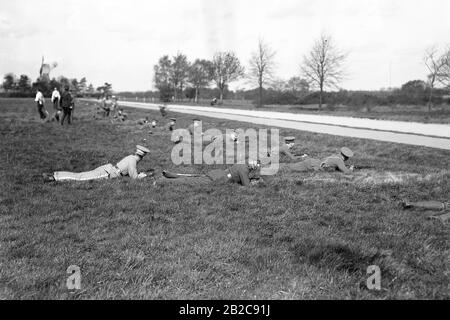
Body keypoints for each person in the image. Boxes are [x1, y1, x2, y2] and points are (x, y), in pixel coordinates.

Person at [43, 145, 151, 182]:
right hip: (108, 173)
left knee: (81, 174)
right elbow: (134, 177)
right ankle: (53, 178)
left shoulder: (130, 157)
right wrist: (142, 176)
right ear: (142, 156)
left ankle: (55, 174)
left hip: (108, 168)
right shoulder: (133, 161)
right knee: (80, 178)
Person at [159, 161, 261, 187]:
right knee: (191, 182)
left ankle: (169, 174)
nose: (256, 167)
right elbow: (247, 186)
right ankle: (162, 181)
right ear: (253, 166)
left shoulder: (242, 164)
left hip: (217, 173)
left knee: (193, 176)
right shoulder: (244, 170)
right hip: (217, 178)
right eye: (256, 165)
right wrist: (255, 182)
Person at [280, 147, 354, 174]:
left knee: (290, 167)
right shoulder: (339, 161)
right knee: (289, 168)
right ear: (346, 157)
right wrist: (351, 169)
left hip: (312, 162)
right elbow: (347, 172)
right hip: (311, 165)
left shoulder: (335, 156)